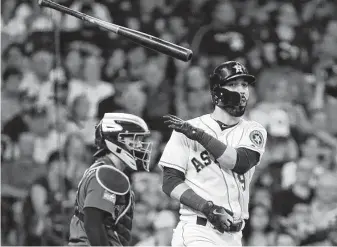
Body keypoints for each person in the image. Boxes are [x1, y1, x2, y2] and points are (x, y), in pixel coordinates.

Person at [160, 61, 268, 246]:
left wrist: (199, 136)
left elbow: (239, 162)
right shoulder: (185, 129)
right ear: (217, 92)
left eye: (244, 85)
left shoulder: (253, 130)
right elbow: (170, 182)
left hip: (234, 237)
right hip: (198, 230)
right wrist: (207, 208)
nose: (241, 90)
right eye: (233, 84)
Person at [68, 113, 153, 246]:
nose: (139, 146)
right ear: (116, 140)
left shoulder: (105, 169)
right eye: (134, 139)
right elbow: (93, 223)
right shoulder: (107, 173)